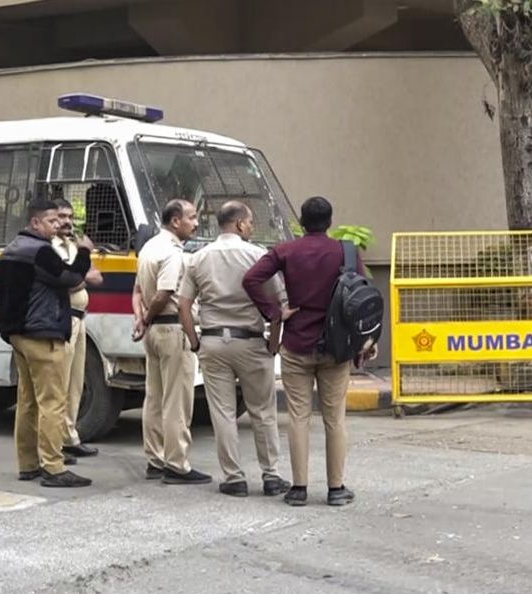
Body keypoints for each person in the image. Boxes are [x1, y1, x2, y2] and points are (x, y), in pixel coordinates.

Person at [243, 196, 376, 507]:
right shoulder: (346, 251)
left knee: (298, 418)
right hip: (335, 347)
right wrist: (365, 340)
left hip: (296, 344)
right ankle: (336, 489)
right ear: (330, 222)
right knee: (335, 419)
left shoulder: (286, 251)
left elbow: (251, 279)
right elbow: (361, 298)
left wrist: (274, 312)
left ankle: (299, 488)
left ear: (302, 222)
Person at [179, 201, 291, 497]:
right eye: (250, 222)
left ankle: (233, 478)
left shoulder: (198, 257)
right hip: (251, 341)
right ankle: (271, 476)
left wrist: (195, 342)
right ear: (240, 223)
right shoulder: (258, 256)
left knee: (223, 413)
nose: (251, 228)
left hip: (213, 341)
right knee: (263, 411)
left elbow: (183, 305)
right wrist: (274, 343)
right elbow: (279, 305)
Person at [0, 198, 93, 488]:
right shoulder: (40, 251)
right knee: (53, 402)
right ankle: (53, 467)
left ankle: (28, 464)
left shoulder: (10, 250)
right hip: (43, 334)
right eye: (51, 221)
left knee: (27, 402)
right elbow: (72, 278)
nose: (57, 226)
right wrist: (85, 252)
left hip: (18, 335)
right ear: (35, 222)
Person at [132, 199, 211, 485]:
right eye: (192, 217)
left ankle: (155, 459)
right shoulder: (173, 253)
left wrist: (142, 320)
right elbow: (164, 293)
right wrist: (148, 317)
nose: (196, 223)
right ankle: (177, 464)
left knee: (154, 398)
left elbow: (137, 290)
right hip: (173, 330)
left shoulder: (149, 248)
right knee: (177, 400)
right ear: (176, 221)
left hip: (155, 332)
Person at [52, 198, 104, 461]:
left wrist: (79, 275)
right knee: (59, 382)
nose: (67, 222)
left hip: (80, 319)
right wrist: (81, 275)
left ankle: (69, 436)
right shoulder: (51, 247)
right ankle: (54, 444)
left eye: (70, 217)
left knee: (75, 383)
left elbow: (97, 276)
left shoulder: (72, 245)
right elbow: (68, 283)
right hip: (63, 318)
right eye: (62, 216)